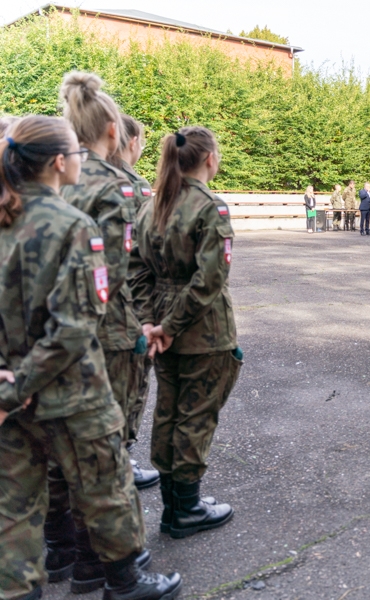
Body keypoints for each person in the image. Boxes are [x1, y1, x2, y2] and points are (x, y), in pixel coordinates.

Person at [0, 115, 182, 600]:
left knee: (14, 511)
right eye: (77, 156)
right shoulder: (71, 225)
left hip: (9, 399)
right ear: (60, 162)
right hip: (70, 391)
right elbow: (75, 327)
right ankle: (125, 581)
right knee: (106, 483)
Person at [57, 71, 153, 592]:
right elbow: (114, 276)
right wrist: (142, 326)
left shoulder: (55, 178)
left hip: (51, 332)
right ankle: (104, 563)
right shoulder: (114, 186)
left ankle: (63, 552)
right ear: (113, 132)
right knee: (104, 453)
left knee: (62, 451)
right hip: (105, 335)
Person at [130, 126, 240, 539]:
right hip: (202, 332)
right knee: (196, 416)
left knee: (169, 411)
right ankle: (185, 509)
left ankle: (176, 504)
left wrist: (150, 322)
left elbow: (136, 270)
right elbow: (209, 279)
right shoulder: (210, 207)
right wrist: (172, 326)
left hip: (161, 327)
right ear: (209, 158)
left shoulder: (152, 205)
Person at [115, 113, 161, 490]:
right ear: (131, 142)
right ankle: (121, 459)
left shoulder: (76, 179)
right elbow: (146, 255)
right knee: (131, 386)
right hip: (127, 308)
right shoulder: (134, 186)